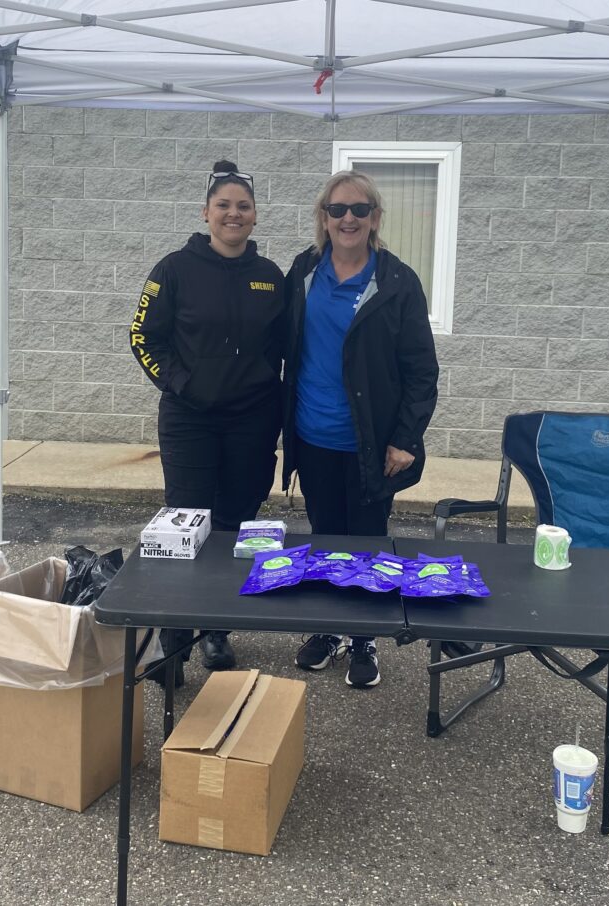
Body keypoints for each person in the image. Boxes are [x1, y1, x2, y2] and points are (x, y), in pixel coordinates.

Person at [282, 170, 439, 688]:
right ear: (323, 218)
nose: (347, 218)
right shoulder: (303, 272)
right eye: (336, 209)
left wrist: (406, 439)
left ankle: (364, 638)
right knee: (325, 537)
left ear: (375, 218)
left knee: (368, 541)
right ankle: (330, 629)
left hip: (372, 444)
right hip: (313, 435)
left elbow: (421, 371)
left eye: (359, 209)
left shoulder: (397, 282)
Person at [130, 160, 284, 678]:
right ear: (206, 212)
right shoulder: (174, 268)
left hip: (252, 424)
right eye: (224, 205)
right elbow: (142, 337)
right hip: (190, 421)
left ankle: (215, 631)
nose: (233, 214)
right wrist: (182, 383)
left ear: (256, 217)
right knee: (186, 527)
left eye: (243, 206)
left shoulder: (270, 277)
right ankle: (172, 640)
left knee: (236, 529)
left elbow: (287, 349)